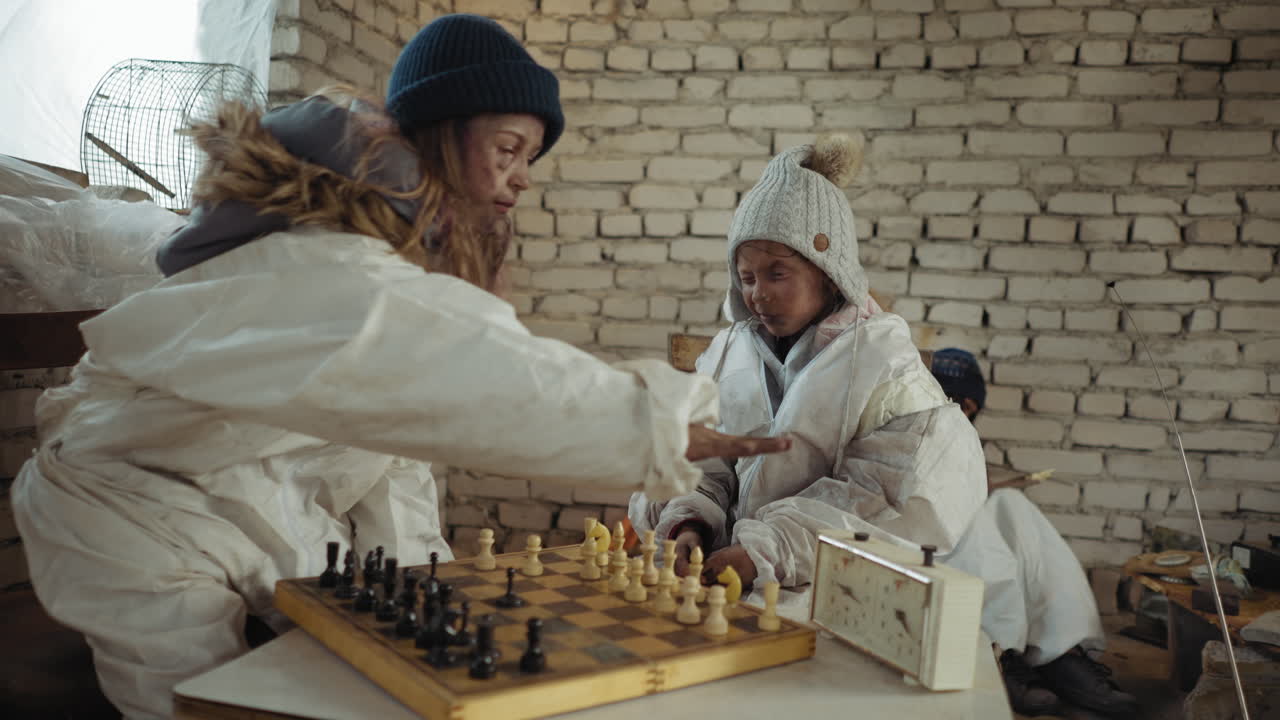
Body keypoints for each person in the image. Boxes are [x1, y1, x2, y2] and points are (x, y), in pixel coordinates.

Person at [11, 14, 787, 719]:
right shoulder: (323, 267)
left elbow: (393, 445)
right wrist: (656, 424)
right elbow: (462, 371)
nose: (522, 177)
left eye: (530, 160)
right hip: (130, 513)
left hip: (249, 504)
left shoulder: (395, 273)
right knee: (203, 705)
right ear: (445, 134)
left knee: (354, 663)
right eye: (508, 149)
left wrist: (431, 587)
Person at [629, 136, 1137, 718]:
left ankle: (1032, 659)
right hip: (735, 571)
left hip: (827, 578)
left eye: (777, 273)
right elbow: (702, 460)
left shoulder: (887, 366)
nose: (757, 293)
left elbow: (878, 494)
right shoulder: (728, 353)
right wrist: (689, 520)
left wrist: (765, 549)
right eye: (745, 276)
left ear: (828, 269)